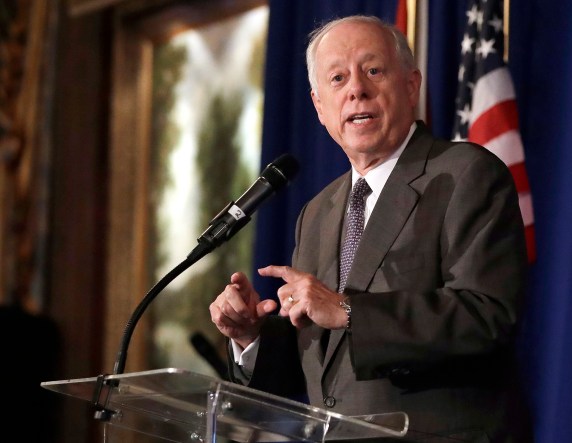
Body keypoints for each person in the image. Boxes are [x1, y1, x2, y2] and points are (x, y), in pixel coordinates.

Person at [209, 15, 529, 442]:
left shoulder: (465, 175)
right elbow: (322, 364)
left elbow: (486, 317)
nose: (356, 89)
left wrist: (347, 309)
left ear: (411, 85)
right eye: (337, 78)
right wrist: (251, 338)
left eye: (373, 70)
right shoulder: (318, 211)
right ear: (320, 106)